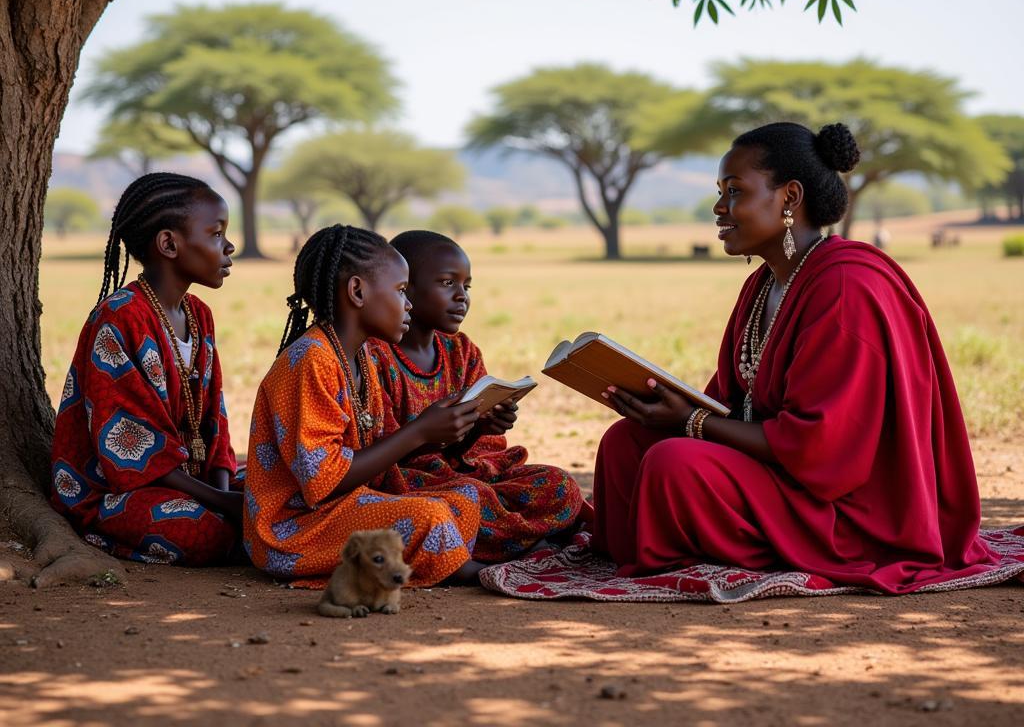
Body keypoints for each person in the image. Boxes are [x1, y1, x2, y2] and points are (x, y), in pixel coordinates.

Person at [591, 122, 1000, 594]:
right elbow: (732, 403)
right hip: (784, 473)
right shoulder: (763, 284)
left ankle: (691, 549)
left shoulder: (846, 287)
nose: (719, 208)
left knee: (673, 464)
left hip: (846, 507)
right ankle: (657, 550)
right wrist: (664, 408)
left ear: (789, 197)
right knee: (625, 443)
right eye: (720, 192)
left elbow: (821, 449)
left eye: (735, 191)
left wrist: (693, 424)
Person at [243, 225, 485, 588]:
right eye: (401, 291)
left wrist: (447, 429)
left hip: (346, 505)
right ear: (357, 291)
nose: (408, 305)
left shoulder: (359, 359)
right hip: (295, 527)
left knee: (464, 497)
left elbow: (384, 450)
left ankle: (434, 559)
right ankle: (457, 567)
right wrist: (419, 430)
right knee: (429, 516)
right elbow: (322, 482)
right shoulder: (313, 359)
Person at [50, 173, 241, 565]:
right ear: (169, 243)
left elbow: (214, 422)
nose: (229, 246)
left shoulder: (199, 315)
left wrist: (225, 494)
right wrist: (223, 504)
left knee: (278, 493)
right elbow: (132, 446)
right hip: (118, 491)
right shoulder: (119, 318)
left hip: (195, 482)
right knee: (201, 531)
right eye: (217, 234)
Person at [366, 231, 584, 559]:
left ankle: (497, 542)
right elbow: (378, 456)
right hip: (411, 480)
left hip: (466, 471)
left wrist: (483, 427)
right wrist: (430, 437)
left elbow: (471, 452)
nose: (461, 297)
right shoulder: (376, 356)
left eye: (466, 287)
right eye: (446, 283)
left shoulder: (461, 351)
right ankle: (517, 543)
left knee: (559, 485)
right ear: (405, 288)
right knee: (464, 496)